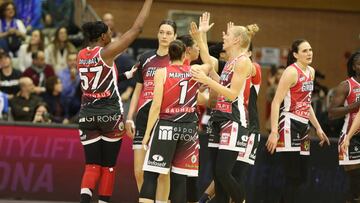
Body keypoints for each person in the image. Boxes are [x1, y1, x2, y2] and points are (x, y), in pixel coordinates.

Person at [76, 0, 153, 202]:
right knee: (108, 166)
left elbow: (100, 79)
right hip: (109, 114)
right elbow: (137, 29)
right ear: (102, 37)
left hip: (86, 115)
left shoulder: (81, 55)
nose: (112, 36)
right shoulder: (107, 52)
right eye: (109, 33)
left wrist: (126, 75)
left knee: (91, 166)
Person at [139, 22, 212, 203]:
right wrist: (200, 39)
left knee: (151, 176)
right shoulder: (195, 70)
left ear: (169, 54)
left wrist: (147, 134)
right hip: (189, 130)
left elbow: (155, 107)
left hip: (166, 126)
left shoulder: (162, 72)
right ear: (184, 54)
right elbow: (210, 63)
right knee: (180, 179)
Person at [191, 21, 259, 203]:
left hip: (233, 120)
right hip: (218, 119)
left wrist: (207, 80)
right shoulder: (231, 62)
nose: (224, 37)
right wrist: (200, 37)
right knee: (217, 176)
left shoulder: (244, 62)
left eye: (227, 35)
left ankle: (241, 200)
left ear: (236, 40)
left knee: (223, 172)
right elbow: (213, 70)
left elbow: (231, 94)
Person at [266, 39, 330, 203]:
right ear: (295, 55)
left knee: (302, 177)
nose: (309, 53)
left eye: (310, 50)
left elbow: (307, 104)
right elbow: (276, 102)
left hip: (304, 127)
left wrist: (318, 128)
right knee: (292, 176)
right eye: (304, 51)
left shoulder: (311, 72)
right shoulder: (291, 72)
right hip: (289, 123)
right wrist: (274, 131)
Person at [125, 19, 177, 202]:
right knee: (139, 172)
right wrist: (129, 117)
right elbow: (137, 90)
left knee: (162, 171)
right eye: (161, 32)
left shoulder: (177, 60)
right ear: (157, 34)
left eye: (168, 33)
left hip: (165, 118)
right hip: (143, 117)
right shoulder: (145, 57)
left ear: (175, 36)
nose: (164, 36)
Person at [331, 51, 360, 202]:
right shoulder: (345, 86)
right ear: (354, 67)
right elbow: (332, 113)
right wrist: (354, 106)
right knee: (356, 187)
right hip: (351, 137)